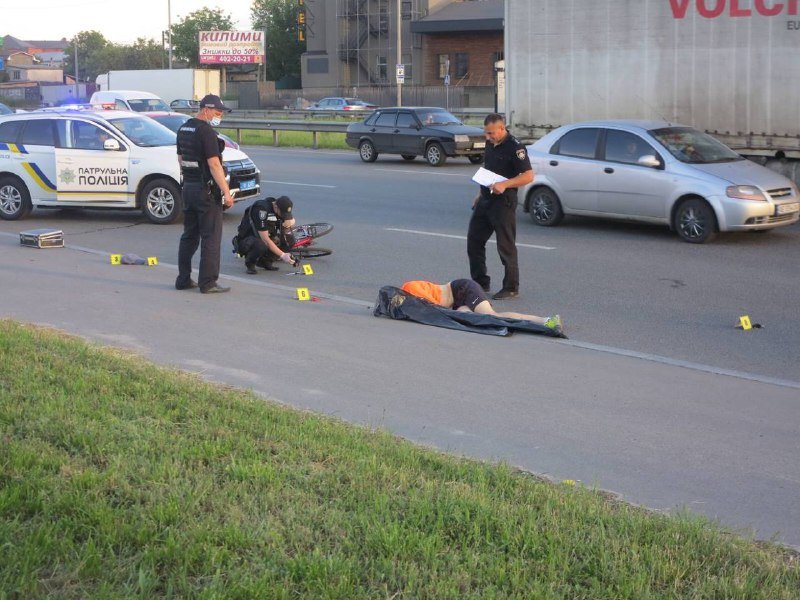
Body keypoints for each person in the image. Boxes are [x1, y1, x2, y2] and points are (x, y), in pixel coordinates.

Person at [467, 113, 534, 300]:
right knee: (474, 240)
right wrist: (479, 194)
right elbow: (489, 170)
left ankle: (511, 287)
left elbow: (528, 176)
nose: (488, 137)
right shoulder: (490, 143)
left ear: (502, 128)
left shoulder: (516, 147)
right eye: (486, 133)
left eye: (491, 133)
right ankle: (480, 282)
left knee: (506, 246)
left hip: (503, 202)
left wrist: (504, 184)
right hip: (485, 199)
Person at [175, 94, 234, 294]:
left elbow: (181, 159)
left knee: (189, 236)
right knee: (211, 237)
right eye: (218, 112)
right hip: (205, 191)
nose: (219, 116)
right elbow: (214, 164)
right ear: (206, 110)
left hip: (188, 188)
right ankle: (208, 283)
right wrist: (226, 193)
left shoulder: (183, 129)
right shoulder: (206, 131)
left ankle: (183, 279)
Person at [400, 279, 563, 334]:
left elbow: (435, 308)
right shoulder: (408, 291)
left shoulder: (410, 289)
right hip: (457, 301)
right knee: (471, 319)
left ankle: (547, 320)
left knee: (492, 316)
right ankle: (544, 322)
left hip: (462, 290)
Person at [234, 196, 299, 274]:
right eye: (282, 213)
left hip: (265, 237)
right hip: (247, 239)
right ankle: (250, 263)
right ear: (275, 206)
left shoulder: (278, 207)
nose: (283, 216)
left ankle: (265, 261)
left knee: (290, 240)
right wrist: (283, 255)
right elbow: (265, 239)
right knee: (261, 244)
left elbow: (286, 226)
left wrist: (289, 223)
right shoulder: (261, 210)